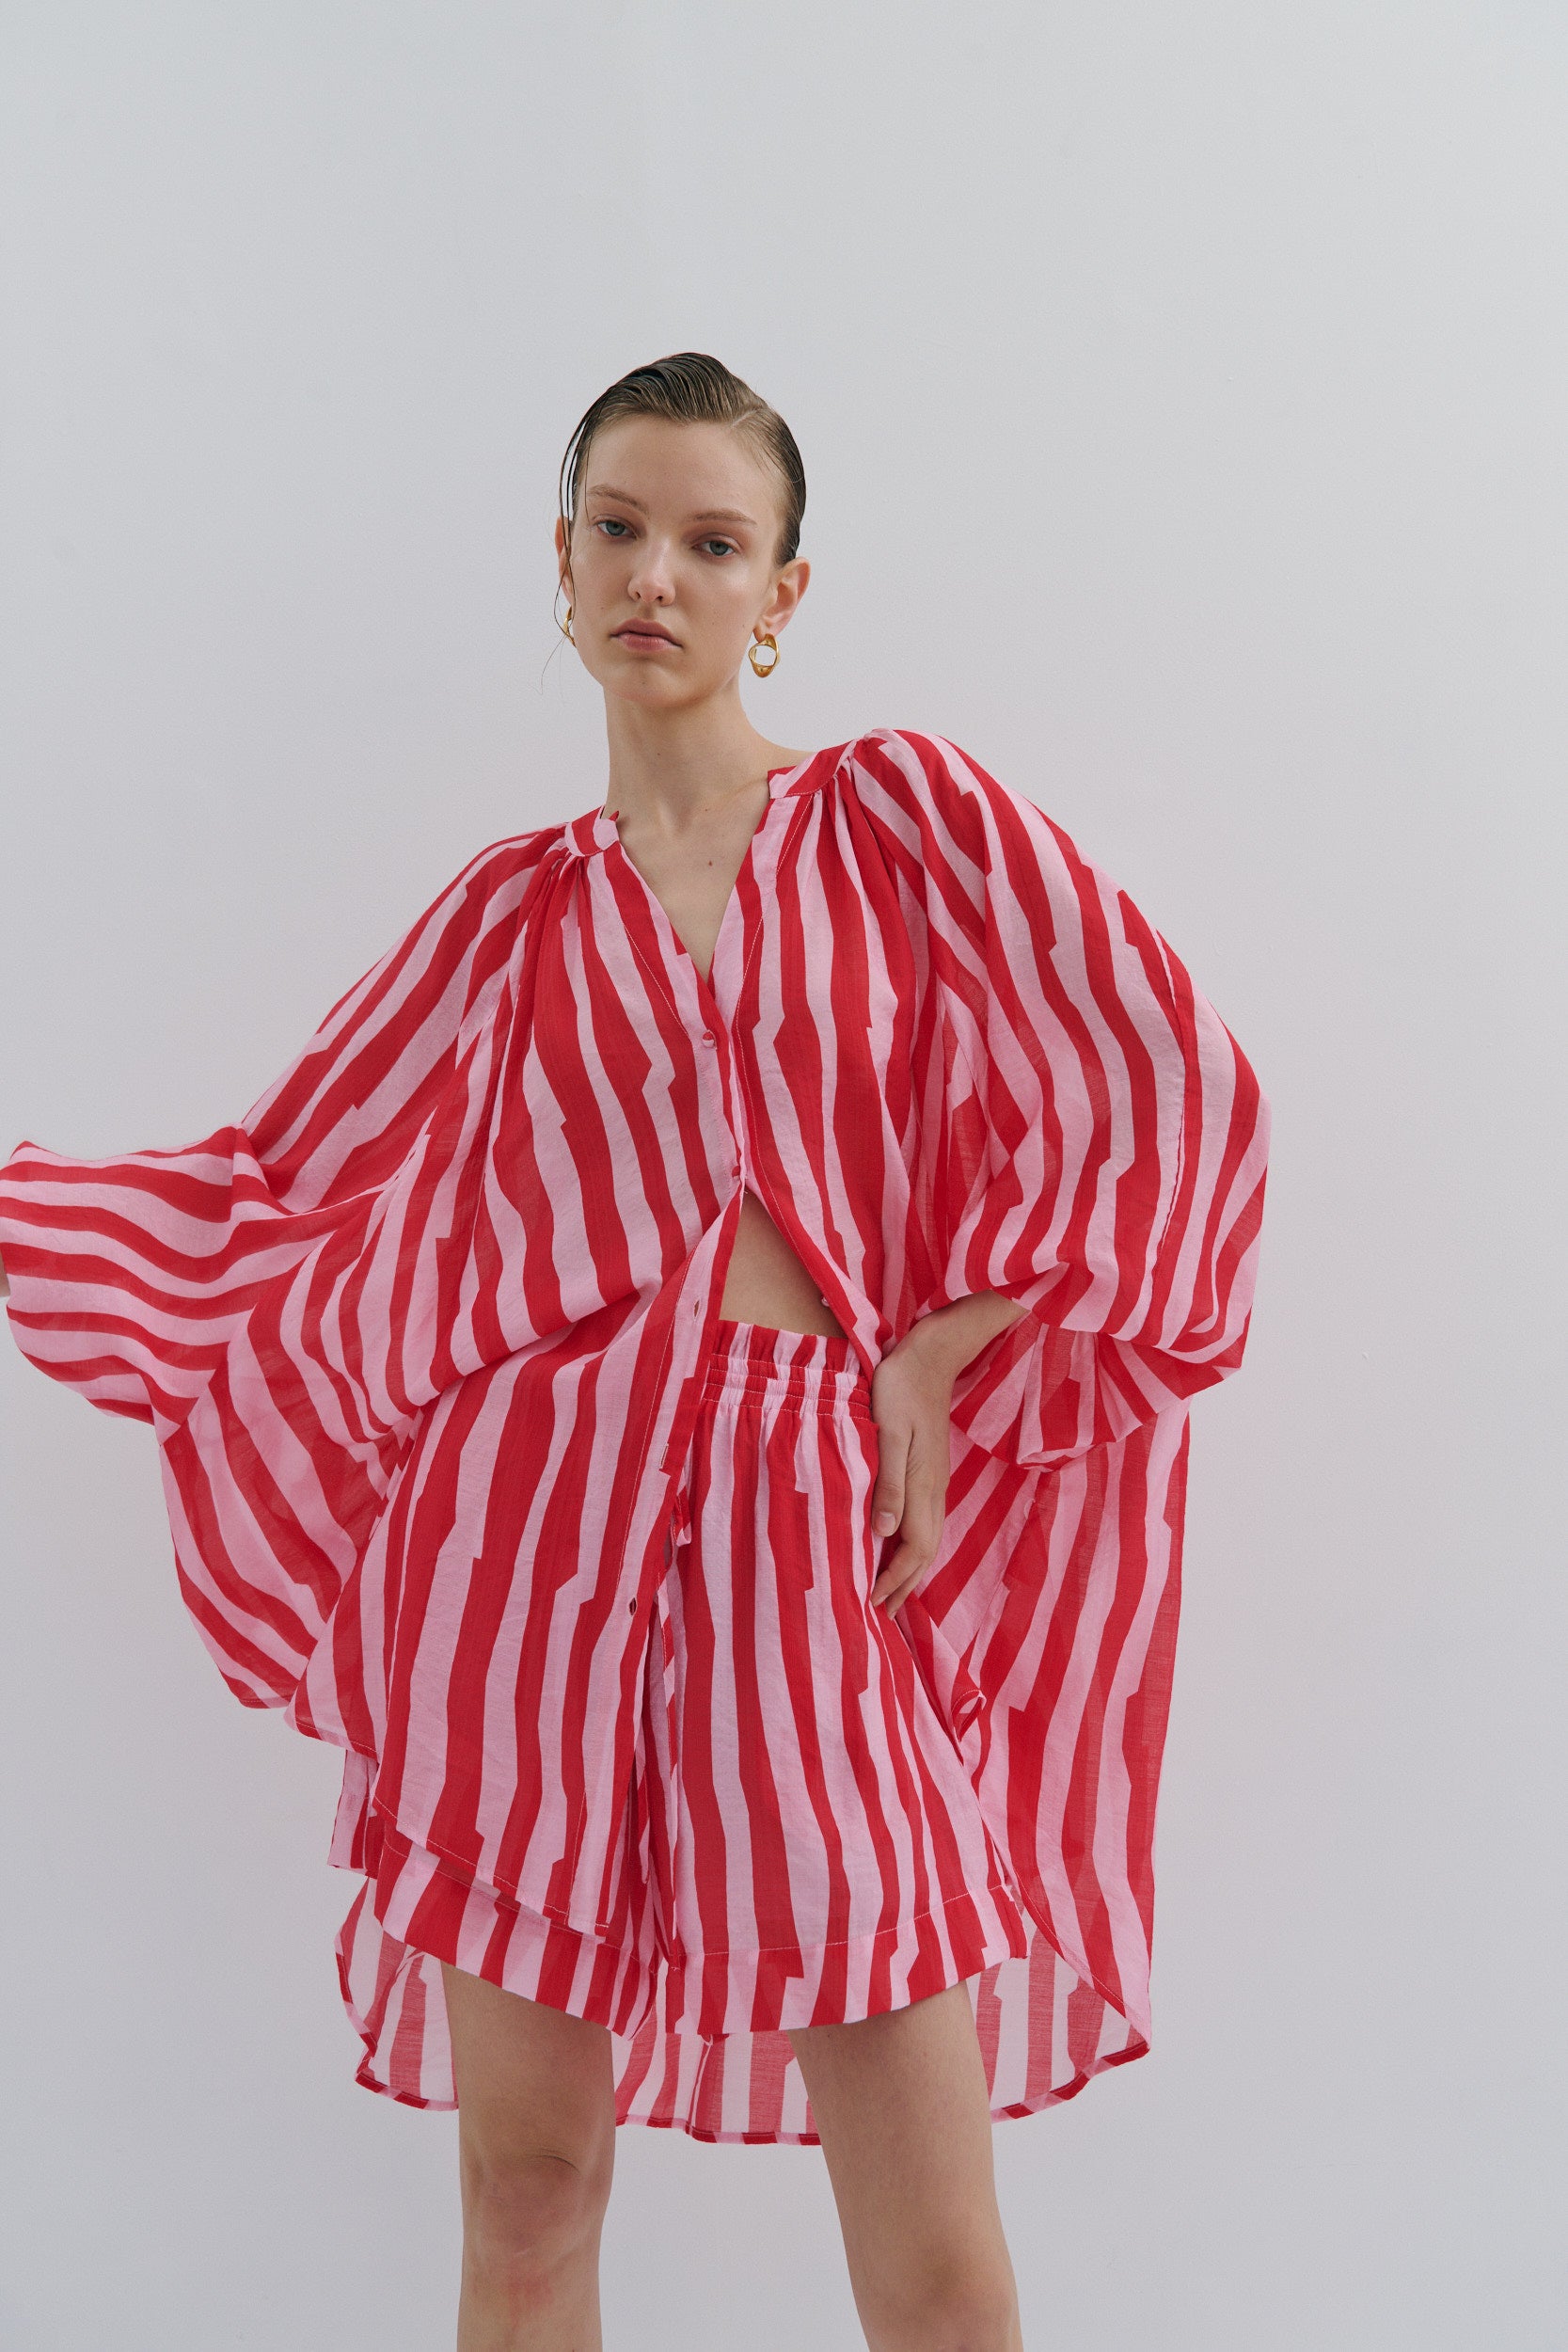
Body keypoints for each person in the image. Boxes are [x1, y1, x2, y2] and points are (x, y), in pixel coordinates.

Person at [0, 351, 1270, 2351]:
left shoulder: (901, 822)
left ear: (786, 588)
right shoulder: (506, 920)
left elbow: (1166, 1085)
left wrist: (939, 1349)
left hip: (814, 1516)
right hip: (527, 1538)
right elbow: (279, 1185)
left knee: (932, 2252)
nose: (656, 574)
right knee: (531, 2188)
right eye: (619, 527)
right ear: (562, 562)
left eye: (712, 539)